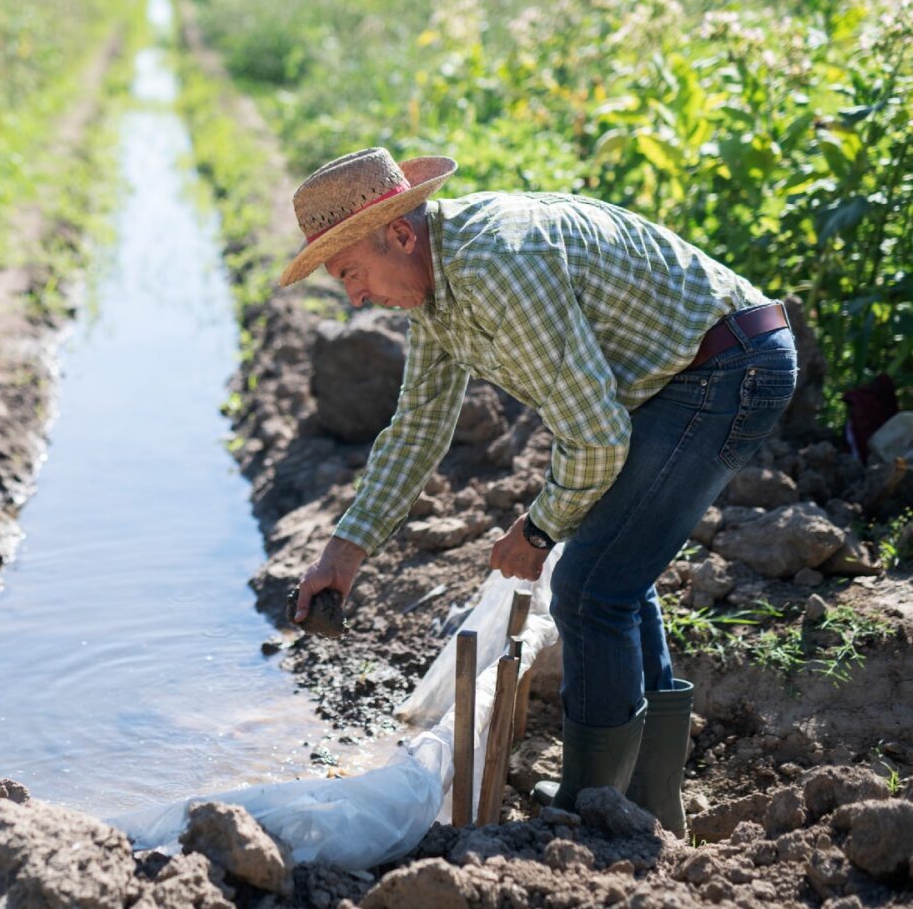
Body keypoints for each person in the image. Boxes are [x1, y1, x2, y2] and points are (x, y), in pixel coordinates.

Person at [280, 146, 798, 836]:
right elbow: (418, 429)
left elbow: (596, 437)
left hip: (727, 367)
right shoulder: (436, 288)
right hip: (674, 378)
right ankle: (641, 801)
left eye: (350, 272)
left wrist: (537, 531)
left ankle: (588, 814)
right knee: (614, 568)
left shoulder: (498, 265)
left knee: (588, 583)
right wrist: (343, 554)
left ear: (400, 234)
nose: (354, 296)